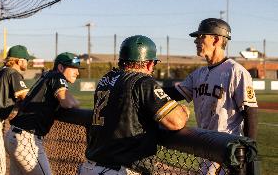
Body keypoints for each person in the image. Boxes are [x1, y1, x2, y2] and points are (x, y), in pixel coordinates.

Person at [78, 35, 190, 175]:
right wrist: (184, 111)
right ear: (149, 64)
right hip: (118, 169)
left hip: (90, 166)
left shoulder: (106, 79)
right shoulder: (142, 81)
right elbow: (176, 121)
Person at [164, 18, 258, 174]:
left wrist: (249, 149)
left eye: (201, 36)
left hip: (228, 147)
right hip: (206, 145)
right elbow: (174, 93)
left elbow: (250, 111)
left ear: (216, 39)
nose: (196, 41)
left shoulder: (236, 71)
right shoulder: (198, 74)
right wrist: (147, 87)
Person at [5, 52, 81, 175]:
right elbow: (66, 102)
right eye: (73, 68)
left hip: (14, 136)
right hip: (26, 139)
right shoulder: (57, 76)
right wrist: (76, 102)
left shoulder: (48, 75)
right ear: (61, 67)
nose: (77, 73)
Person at [0, 45, 30, 175]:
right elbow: (25, 97)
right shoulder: (13, 73)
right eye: (27, 60)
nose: (28, 63)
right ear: (19, 61)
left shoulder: (2, 71)